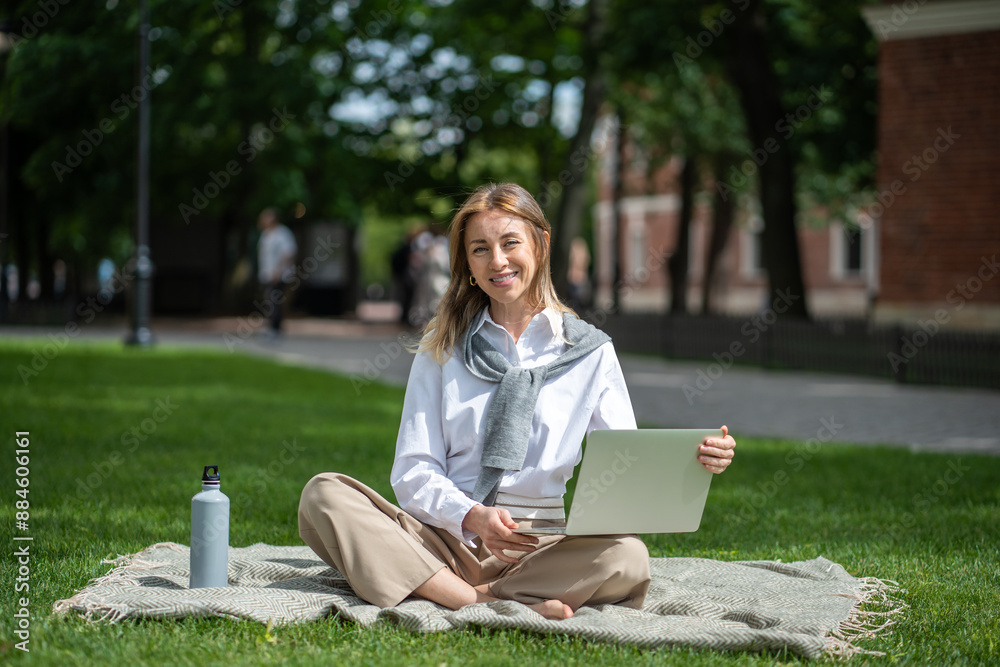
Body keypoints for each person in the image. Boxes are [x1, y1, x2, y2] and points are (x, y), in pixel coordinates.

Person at [298, 183, 736, 620]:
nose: (498, 261)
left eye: (510, 243)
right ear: (467, 264)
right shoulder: (443, 350)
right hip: (446, 538)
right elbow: (413, 470)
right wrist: (473, 516)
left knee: (629, 557)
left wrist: (694, 460)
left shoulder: (591, 353)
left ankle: (440, 589)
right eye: (480, 249)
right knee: (325, 495)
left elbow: (624, 465)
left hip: (543, 547)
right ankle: (480, 601)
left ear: (541, 246)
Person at [256, 208, 297, 338]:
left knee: (275, 302)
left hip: (279, 275)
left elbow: (288, 253)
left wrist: (278, 271)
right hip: (267, 274)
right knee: (269, 301)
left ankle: (275, 329)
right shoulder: (266, 234)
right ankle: (271, 327)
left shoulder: (282, 234)